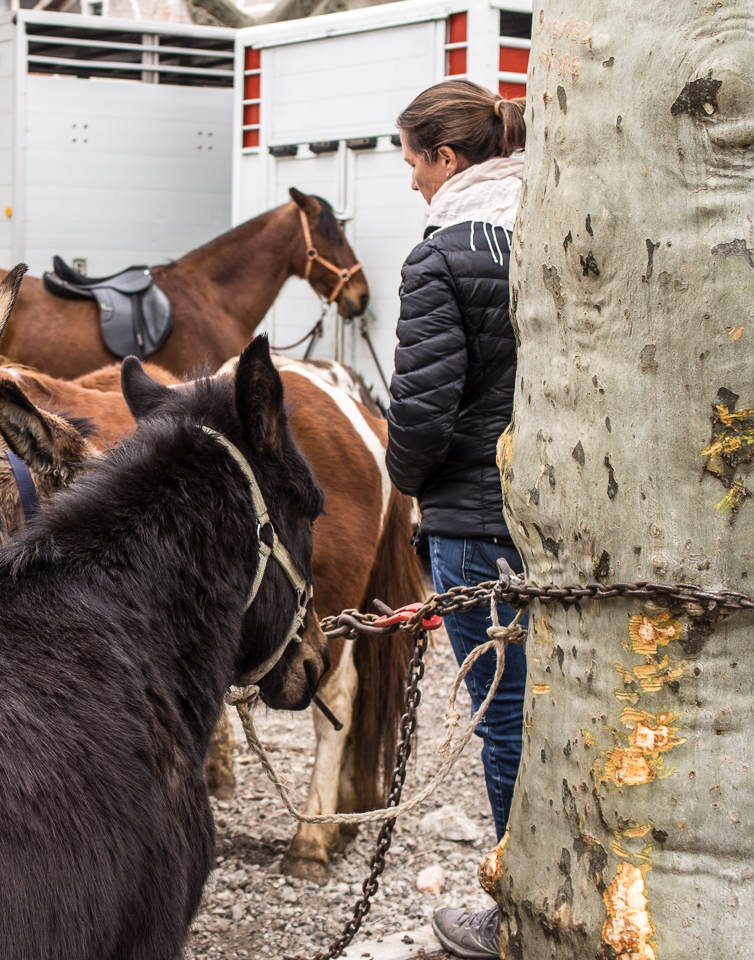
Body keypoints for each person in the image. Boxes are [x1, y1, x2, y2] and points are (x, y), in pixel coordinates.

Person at [386, 80, 527, 960]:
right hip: (557, 511)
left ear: (446, 159)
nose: (408, 180)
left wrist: (405, 482)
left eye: (410, 160)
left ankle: (520, 904)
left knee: (505, 717)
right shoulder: (545, 228)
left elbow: (423, 413)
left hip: (474, 518)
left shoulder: (441, 257)